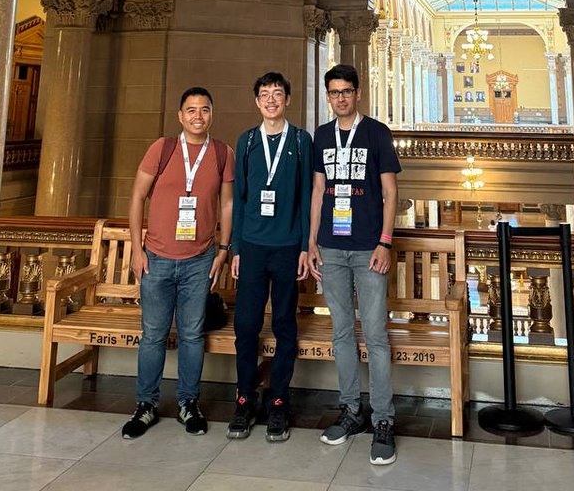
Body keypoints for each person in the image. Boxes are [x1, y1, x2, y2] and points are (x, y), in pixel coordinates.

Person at [121, 86, 235, 440]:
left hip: (199, 261)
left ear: (212, 114)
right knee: (153, 335)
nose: (197, 116)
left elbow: (228, 204)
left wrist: (223, 248)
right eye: (191, 110)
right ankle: (146, 405)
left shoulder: (221, 153)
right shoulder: (163, 148)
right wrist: (136, 249)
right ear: (180, 116)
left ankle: (189, 403)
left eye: (204, 109)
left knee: (191, 335)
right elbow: (138, 196)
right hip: (155, 257)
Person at [308, 63, 401, 466]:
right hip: (331, 248)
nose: (340, 97)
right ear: (327, 97)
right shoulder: (322, 136)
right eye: (333, 92)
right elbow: (318, 190)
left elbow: (390, 192)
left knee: (376, 336)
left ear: (357, 94)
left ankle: (383, 420)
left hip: (368, 249)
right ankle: (352, 412)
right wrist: (311, 242)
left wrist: (385, 242)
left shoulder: (376, 132)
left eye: (346, 91)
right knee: (342, 332)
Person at [227, 72, 313, 443]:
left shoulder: (300, 140)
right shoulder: (246, 141)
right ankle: (245, 398)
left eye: (277, 94)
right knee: (245, 326)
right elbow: (241, 198)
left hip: (287, 247)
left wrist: (306, 247)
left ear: (288, 99)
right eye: (264, 94)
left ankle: (278, 400)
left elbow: (307, 198)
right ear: (256, 101)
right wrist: (235, 248)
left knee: (283, 325)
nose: (271, 100)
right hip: (252, 247)